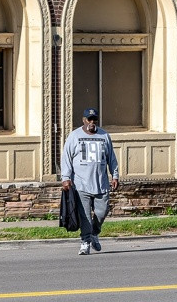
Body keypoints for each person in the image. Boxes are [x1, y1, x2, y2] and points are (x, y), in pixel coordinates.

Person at [60, 107, 119, 255]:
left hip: (101, 183)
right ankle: (85, 242)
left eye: (94, 120)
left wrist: (115, 175)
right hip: (81, 184)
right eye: (89, 119)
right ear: (83, 120)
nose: (92, 122)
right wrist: (65, 178)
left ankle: (94, 233)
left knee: (102, 211)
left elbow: (111, 157)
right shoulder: (74, 136)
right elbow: (66, 158)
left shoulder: (104, 135)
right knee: (85, 216)